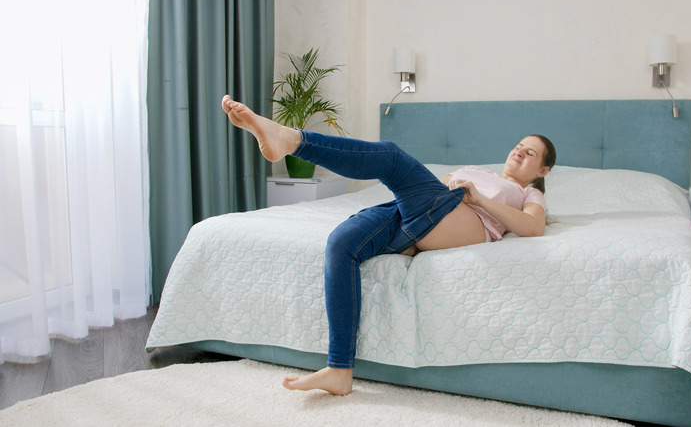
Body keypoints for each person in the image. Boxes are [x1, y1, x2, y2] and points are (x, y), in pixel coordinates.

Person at [221, 95, 556, 396]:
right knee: (341, 243)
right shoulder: (474, 169)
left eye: (530, 153)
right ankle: (339, 370)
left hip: (461, 218)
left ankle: (292, 140)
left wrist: (479, 197)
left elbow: (533, 226)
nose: (519, 152)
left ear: (542, 169)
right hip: (424, 211)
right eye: (518, 146)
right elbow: (428, 187)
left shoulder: (530, 192)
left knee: (393, 157)